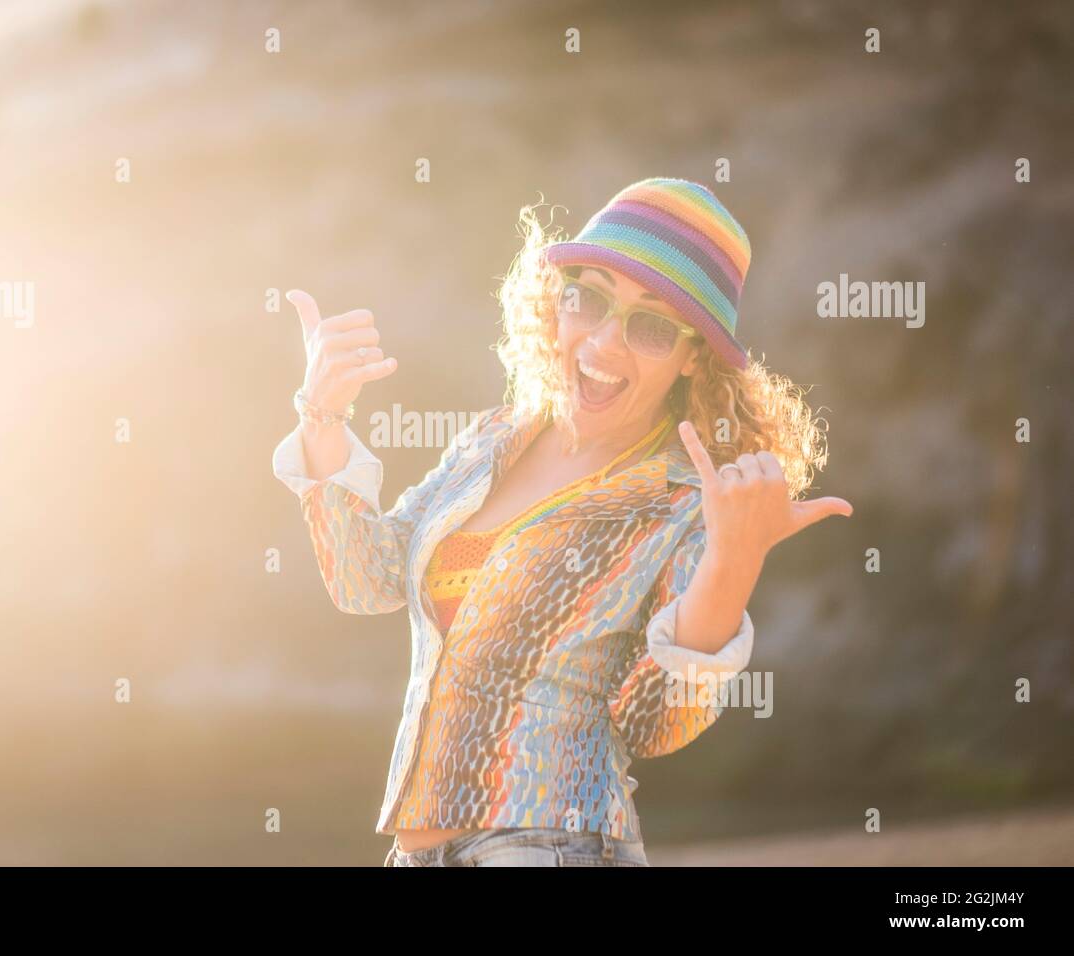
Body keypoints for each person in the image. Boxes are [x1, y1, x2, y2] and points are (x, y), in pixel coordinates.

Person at [272, 178, 852, 866]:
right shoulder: (494, 440)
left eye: (652, 324)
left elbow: (654, 719)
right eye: (591, 296)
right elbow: (365, 578)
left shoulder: (687, 502)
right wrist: (323, 415)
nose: (604, 341)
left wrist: (733, 563)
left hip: (553, 846)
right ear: (558, 299)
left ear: (694, 356)